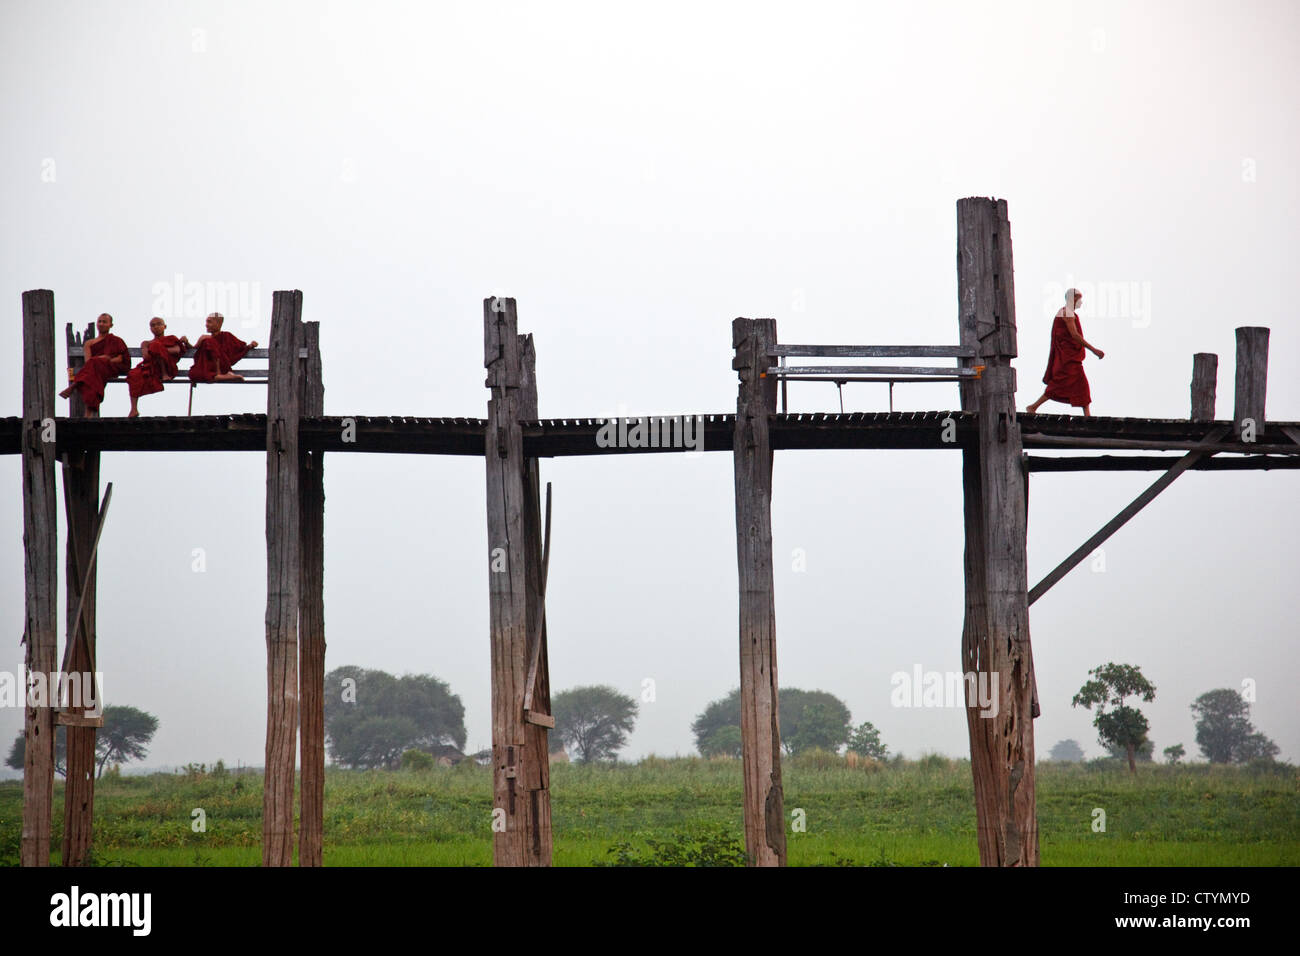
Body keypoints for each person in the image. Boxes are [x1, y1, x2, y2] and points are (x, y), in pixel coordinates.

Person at [1025, 288, 1104, 417]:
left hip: (1070, 357)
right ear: (1073, 299)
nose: (1081, 302)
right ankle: (1033, 406)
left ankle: (1087, 415)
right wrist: (1094, 350)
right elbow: (1074, 335)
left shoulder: (1068, 312)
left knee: (1082, 386)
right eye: (1079, 299)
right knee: (1058, 385)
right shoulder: (1066, 312)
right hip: (1066, 358)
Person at [59, 313, 130, 417]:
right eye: (99, 321)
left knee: (92, 371)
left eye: (104, 322)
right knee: (92, 375)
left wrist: (107, 360)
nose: (101, 324)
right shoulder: (89, 343)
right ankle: (88, 412)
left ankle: (74, 386)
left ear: (111, 325)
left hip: (111, 369)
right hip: (95, 370)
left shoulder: (116, 340)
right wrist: (102, 359)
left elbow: (121, 359)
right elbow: (88, 362)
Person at [126, 317, 191, 417]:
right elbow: (146, 356)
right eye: (153, 325)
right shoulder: (146, 343)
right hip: (152, 367)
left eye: (159, 324)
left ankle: (164, 374)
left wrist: (158, 349)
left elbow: (177, 350)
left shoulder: (171, 338)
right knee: (132, 374)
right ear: (150, 329)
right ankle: (134, 409)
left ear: (165, 326)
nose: (156, 327)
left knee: (156, 346)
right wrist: (158, 349)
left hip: (168, 367)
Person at [188, 313, 258, 383]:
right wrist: (186, 342)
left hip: (223, 367)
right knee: (193, 374)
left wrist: (251, 345)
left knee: (209, 341)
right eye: (206, 322)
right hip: (208, 368)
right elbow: (194, 350)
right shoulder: (203, 338)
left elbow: (241, 348)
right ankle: (222, 376)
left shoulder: (227, 336)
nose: (206, 324)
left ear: (219, 324)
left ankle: (219, 374)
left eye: (209, 322)